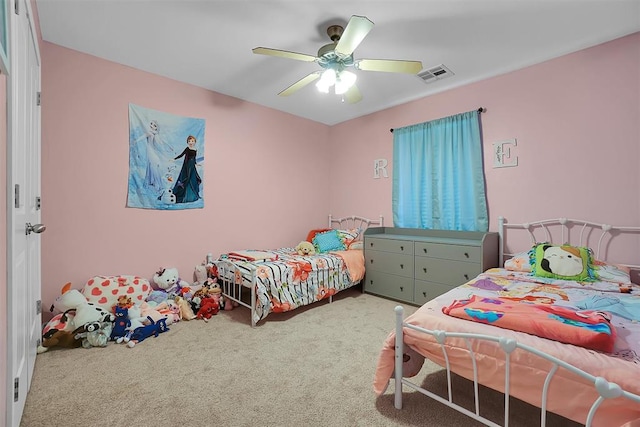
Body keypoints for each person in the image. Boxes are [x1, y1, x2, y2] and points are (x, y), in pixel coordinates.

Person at [172, 135, 202, 203]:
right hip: (187, 166)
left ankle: (193, 196)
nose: (191, 142)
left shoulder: (195, 149)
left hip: (192, 166)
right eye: (189, 141)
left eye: (192, 141)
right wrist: (174, 159)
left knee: (193, 179)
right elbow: (181, 155)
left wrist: (196, 164)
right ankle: (183, 196)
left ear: (194, 142)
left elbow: (194, 158)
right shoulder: (187, 149)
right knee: (186, 179)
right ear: (187, 142)